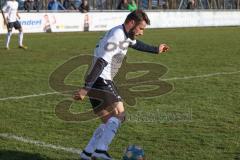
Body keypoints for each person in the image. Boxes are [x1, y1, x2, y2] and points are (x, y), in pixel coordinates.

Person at [74, 10, 169, 160]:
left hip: (99, 80)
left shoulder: (126, 34)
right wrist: (86, 88)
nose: (142, 32)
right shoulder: (116, 35)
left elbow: (136, 44)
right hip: (100, 79)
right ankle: (101, 151)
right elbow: (101, 61)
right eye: (141, 28)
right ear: (131, 23)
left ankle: (87, 154)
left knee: (108, 122)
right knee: (120, 115)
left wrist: (155, 49)